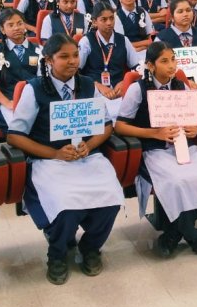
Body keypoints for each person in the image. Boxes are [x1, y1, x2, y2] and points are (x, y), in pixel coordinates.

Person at [7, 34, 123, 283]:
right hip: (50, 160)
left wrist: (89, 145)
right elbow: (15, 136)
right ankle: (57, 254)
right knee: (66, 203)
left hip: (86, 156)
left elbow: (106, 125)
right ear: (49, 60)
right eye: (64, 56)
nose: (72, 61)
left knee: (112, 196)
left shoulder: (88, 85)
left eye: (75, 55)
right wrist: (55, 153)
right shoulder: (34, 89)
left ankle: (90, 247)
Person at [116, 41, 197, 259]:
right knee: (176, 181)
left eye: (173, 60)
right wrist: (154, 133)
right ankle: (195, 237)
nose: (171, 65)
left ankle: (173, 234)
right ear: (150, 65)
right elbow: (120, 126)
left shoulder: (180, 85)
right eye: (164, 61)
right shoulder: (138, 89)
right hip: (155, 150)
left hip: (184, 146)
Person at [0, 9, 41, 141]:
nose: (16, 28)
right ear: (2, 29)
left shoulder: (38, 49)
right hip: (8, 100)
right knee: (19, 132)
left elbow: (43, 80)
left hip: (34, 100)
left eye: (20, 23)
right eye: (11, 25)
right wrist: (6, 102)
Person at [78, 3, 141, 120]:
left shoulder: (123, 40)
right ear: (95, 22)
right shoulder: (86, 41)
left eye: (112, 18)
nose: (109, 23)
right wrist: (96, 85)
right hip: (95, 93)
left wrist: (125, 82)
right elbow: (76, 73)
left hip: (119, 92)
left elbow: (138, 68)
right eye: (104, 19)